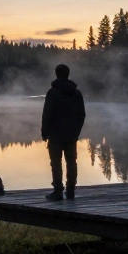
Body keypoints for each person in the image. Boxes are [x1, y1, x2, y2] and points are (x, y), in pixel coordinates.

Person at [41, 63, 85, 201]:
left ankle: (58, 191)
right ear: (68, 74)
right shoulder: (77, 93)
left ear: (57, 74)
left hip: (55, 135)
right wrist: (76, 131)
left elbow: (47, 114)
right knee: (71, 162)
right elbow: (82, 115)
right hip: (71, 135)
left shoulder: (52, 93)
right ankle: (70, 190)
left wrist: (44, 132)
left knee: (56, 162)